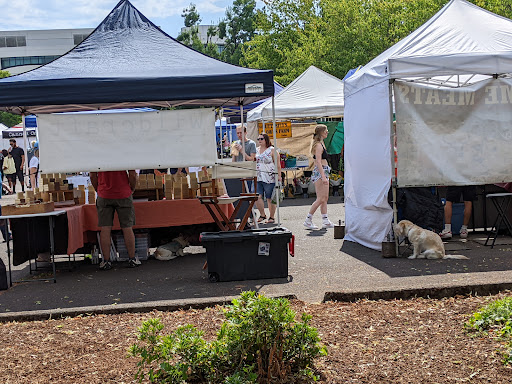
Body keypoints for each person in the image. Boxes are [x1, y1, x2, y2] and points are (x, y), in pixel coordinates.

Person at [90, 170, 140, 270]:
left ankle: (106, 261)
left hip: (104, 194)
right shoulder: (124, 154)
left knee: (105, 228)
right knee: (127, 227)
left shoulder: (97, 155)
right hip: (123, 193)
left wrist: (98, 189)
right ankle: (132, 259)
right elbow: (132, 175)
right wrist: (131, 188)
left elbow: (92, 175)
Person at [304, 124, 335, 230]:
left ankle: (325, 220)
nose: (327, 132)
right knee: (321, 198)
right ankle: (308, 219)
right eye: (326, 130)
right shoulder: (318, 145)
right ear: (321, 132)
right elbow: (317, 161)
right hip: (321, 172)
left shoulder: (321, 143)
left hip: (324, 171)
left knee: (324, 198)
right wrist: (323, 176)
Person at [255, 133, 281, 224]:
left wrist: (279, 176)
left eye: (261, 139)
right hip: (258, 176)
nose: (259, 141)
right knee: (257, 196)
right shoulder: (256, 150)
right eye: (258, 139)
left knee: (270, 197)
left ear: (266, 139)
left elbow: (278, 164)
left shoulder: (272, 150)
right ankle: (262, 214)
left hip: (270, 176)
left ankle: (272, 216)